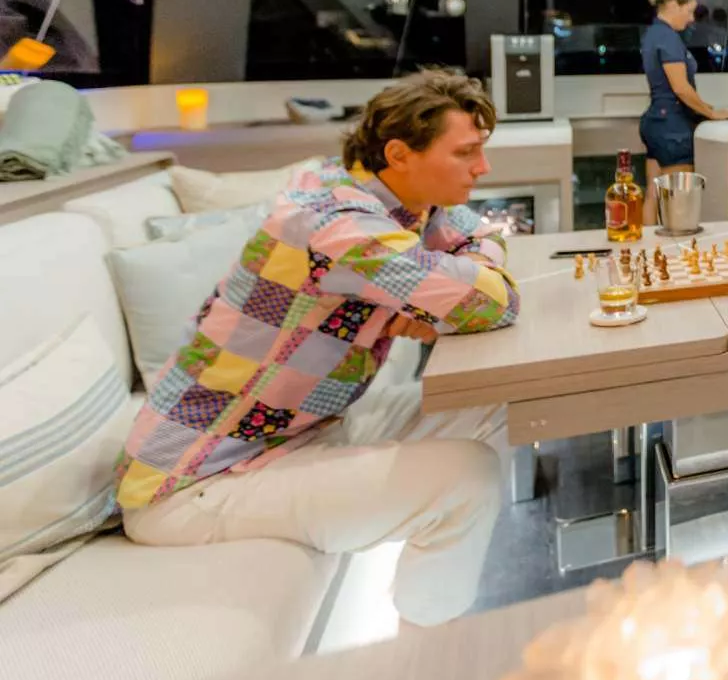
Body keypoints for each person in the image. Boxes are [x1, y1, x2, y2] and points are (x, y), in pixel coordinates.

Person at [116, 70, 521, 627]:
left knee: (493, 400)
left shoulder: (395, 197)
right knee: (467, 476)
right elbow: (494, 302)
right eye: (466, 152)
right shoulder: (337, 226)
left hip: (303, 431)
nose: (483, 167)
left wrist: (457, 282)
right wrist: (461, 288)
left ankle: (430, 572)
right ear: (399, 154)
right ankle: (427, 648)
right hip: (196, 481)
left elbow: (486, 235)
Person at [639, 0, 728, 226]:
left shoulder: (653, 33)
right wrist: (711, 113)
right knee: (679, 201)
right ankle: (679, 247)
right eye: (688, 11)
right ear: (673, 5)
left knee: (653, 194)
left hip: (655, 122)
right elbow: (680, 88)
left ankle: (647, 247)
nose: (691, 19)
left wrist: (704, 107)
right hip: (672, 126)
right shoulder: (668, 38)